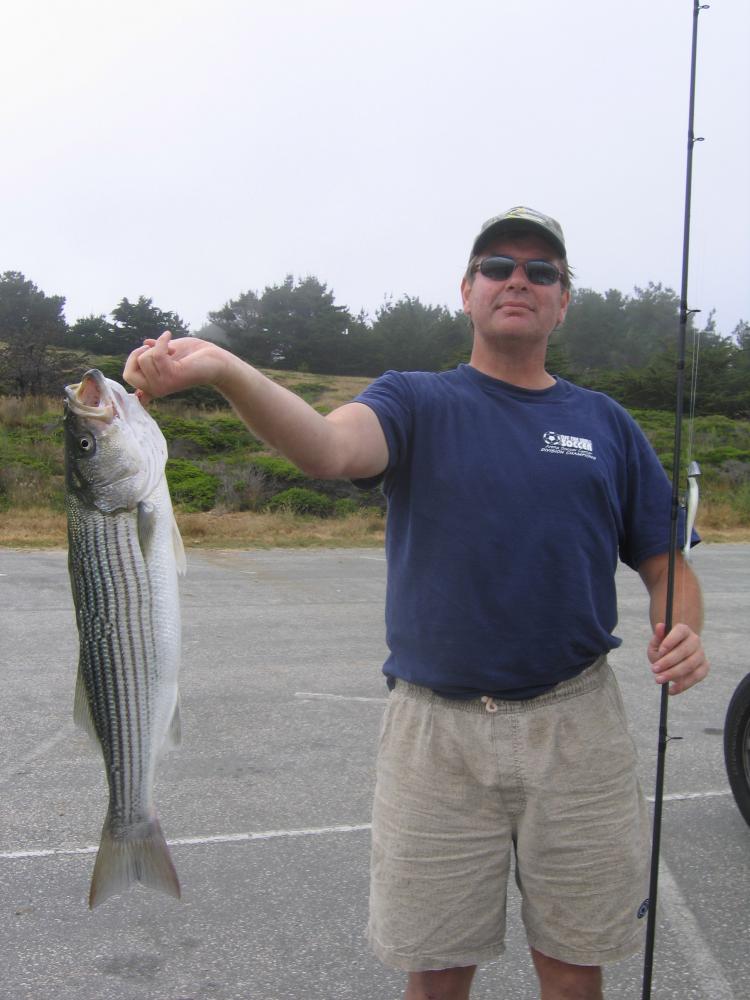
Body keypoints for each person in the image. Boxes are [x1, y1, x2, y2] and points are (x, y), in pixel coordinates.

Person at [124, 206, 709, 1000]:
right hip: (434, 730)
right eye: (498, 266)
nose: (519, 281)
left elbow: (664, 561)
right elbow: (328, 449)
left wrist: (684, 625)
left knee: (575, 962)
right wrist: (226, 368)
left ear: (564, 301)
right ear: (467, 290)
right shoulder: (413, 399)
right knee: (434, 969)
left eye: (543, 272)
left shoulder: (605, 422)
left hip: (579, 723)